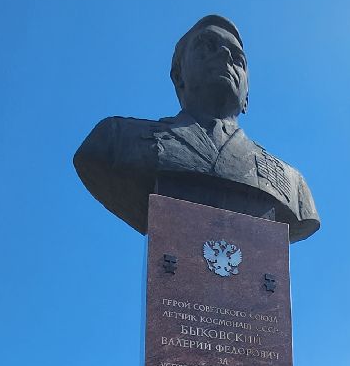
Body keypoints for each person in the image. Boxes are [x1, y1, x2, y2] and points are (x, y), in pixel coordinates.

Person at [73, 14, 320, 241]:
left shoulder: (292, 184)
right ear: (178, 75)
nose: (225, 56)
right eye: (209, 45)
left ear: (247, 98)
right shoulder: (117, 139)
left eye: (238, 59)